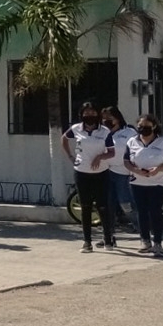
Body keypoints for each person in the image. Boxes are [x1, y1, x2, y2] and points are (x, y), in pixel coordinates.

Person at [62, 102, 115, 252]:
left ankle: (107, 239)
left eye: (93, 113)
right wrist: (71, 157)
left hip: (101, 173)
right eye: (86, 113)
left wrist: (100, 156)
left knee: (103, 207)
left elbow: (112, 152)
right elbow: (64, 139)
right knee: (85, 207)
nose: (89, 116)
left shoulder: (104, 131)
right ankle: (87, 242)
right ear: (81, 114)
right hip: (82, 172)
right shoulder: (76, 129)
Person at [124, 113, 163, 257]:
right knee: (141, 211)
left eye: (146, 126)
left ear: (154, 126)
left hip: (157, 183)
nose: (143, 129)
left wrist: (157, 169)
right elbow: (126, 161)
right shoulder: (131, 142)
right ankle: (145, 240)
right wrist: (136, 170)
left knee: (155, 211)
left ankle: (158, 243)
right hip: (137, 182)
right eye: (140, 126)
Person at [100, 106, 138, 231]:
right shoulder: (102, 133)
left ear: (117, 118)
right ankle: (109, 235)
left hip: (124, 173)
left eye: (110, 118)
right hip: (106, 173)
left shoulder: (129, 132)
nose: (106, 121)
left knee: (125, 204)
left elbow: (136, 151)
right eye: (104, 119)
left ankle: (141, 227)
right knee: (108, 205)